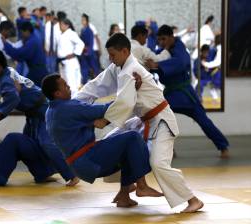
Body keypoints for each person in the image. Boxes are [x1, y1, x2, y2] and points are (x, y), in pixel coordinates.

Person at [75, 33, 204, 213]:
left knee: (158, 163)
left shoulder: (131, 70)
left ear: (125, 51)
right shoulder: (118, 68)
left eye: (113, 55)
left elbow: (126, 102)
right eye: (109, 55)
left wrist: (104, 120)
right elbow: (97, 85)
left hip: (161, 121)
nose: (110, 59)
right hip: (142, 121)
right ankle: (124, 193)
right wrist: (73, 103)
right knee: (114, 145)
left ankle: (193, 200)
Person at [0, 50, 79, 186]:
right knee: (27, 144)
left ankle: (71, 175)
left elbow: (13, 97)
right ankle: (42, 174)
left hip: (42, 112)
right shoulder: (5, 74)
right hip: (33, 113)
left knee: (46, 144)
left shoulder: (6, 80)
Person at [42, 74, 164, 207]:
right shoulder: (67, 108)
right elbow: (104, 109)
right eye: (65, 86)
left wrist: (99, 121)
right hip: (88, 159)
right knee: (132, 137)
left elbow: (84, 119)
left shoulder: (51, 111)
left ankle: (124, 196)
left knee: (125, 147)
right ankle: (141, 185)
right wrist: (131, 91)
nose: (69, 87)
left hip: (79, 164)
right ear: (58, 93)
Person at [145, 25, 229, 158]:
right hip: (172, 95)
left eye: (164, 39)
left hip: (185, 94)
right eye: (159, 40)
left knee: (204, 122)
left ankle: (223, 146)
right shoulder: (163, 49)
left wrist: (158, 65)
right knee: (160, 118)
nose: (161, 42)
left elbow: (180, 63)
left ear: (172, 37)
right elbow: (157, 61)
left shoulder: (179, 48)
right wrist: (151, 65)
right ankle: (169, 150)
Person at [2, 21, 48, 87]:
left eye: (22, 33)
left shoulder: (32, 42)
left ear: (27, 31)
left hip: (37, 72)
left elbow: (20, 54)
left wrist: (6, 44)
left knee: (27, 89)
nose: (21, 35)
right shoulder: (34, 37)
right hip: (37, 70)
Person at [57, 18, 84, 95]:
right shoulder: (62, 34)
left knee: (72, 84)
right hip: (63, 62)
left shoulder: (71, 33)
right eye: (60, 24)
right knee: (65, 82)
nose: (60, 26)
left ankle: (75, 101)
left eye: (61, 24)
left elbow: (81, 44)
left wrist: (74, 53)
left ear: (67, 25)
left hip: (70, 61)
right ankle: (70, 101)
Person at [80, 13, 100, 84]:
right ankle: (84, 82)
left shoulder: (89, 30)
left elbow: (91, 42)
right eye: (81, 20)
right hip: (84, 51)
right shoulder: (83, 30)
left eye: (83, 20)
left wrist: (88, 51)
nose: (82, 21)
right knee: (85, 68)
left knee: (95, 68)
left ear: (87, 21)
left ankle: (99, 82)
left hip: (89, 52)